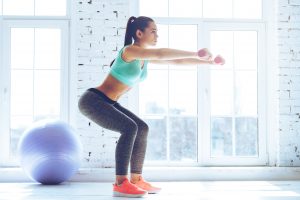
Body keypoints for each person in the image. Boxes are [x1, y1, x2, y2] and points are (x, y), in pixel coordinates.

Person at [78, 16, 225, 198]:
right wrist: (196, 53)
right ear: (139, 33)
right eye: (153, 31)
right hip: (93, 101)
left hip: (108, 102)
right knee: (129, 127)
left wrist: (208, 63)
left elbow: (176, 61)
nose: (157, 35)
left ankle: (136, 179)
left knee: (142, 128)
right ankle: (120, 183)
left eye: (157, 32)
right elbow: (161, 53)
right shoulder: (130, 51)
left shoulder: (144, 57)